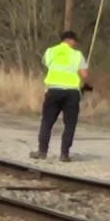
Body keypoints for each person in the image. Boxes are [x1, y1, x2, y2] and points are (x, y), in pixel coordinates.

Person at [32, 30, 89, 162]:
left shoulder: (50, 51)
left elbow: (46, 64)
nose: (75, 44)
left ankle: (42, 151)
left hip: (53, 91)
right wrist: (86, 85)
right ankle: (64, 154)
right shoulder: (77, 55)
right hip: (72, 93)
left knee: (47, 121)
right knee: (70, 124)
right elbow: (84, 75)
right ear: (71, 40)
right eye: (75, 41)